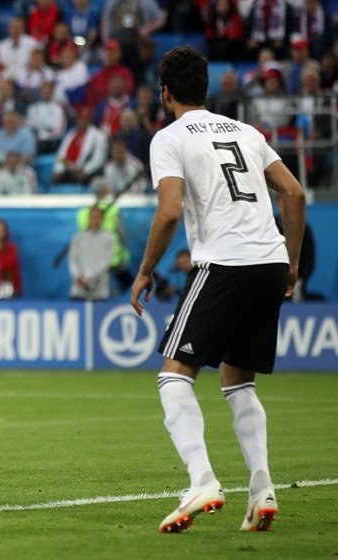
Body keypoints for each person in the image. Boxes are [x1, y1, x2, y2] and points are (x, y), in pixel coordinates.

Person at [129, 47, 305, 534]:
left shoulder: (169, 137)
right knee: (237, 380)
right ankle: (262, 489)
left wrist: (145, 270)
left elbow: (168, 212)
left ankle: (202, 479)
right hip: (269, 261)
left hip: (224, 263)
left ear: (165, 93)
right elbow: (293, 192)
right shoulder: (247, 132)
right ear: (205, 89)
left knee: (175, 371)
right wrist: (290, 263)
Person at [69, 206, 116, 300]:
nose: (95, 220)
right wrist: (78, 277)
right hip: (79, 290)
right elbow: (73, 260)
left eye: (98, 217)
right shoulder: (78, 237)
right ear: (89, 218)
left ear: (102, 219)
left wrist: (87, 278)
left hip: (99, 291)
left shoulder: (109, 238)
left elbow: (106, 262)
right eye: (93, 217)